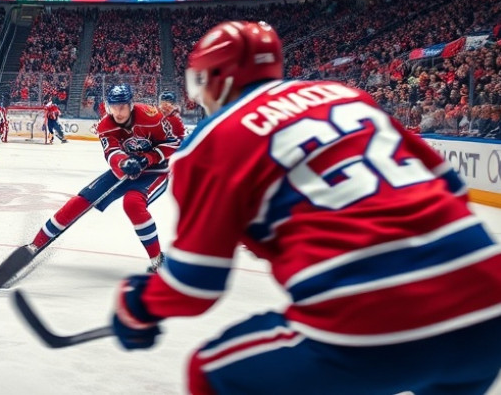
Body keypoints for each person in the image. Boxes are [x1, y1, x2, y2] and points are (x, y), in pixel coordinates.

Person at [111, 21, 501, 395]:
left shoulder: (212, 140)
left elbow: (194, 286)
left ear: (216, 79)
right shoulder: (345, 96)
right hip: (487, 300)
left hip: (372, 312)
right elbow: (447, 183)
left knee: (211, 373)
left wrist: (137, 305)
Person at [28, 83, 181, 271]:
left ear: (131, 105)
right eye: (113, 106)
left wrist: (148, 158)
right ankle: (34, 245)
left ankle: (158, 260)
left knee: (132, 203)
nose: (118, 111)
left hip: (155, 170)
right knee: (82, 199)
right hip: (124, 169)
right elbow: (111, 152)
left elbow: (173, 143)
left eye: (122, 106)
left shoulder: (151, 116)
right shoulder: (105, 125)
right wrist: (124, 163)